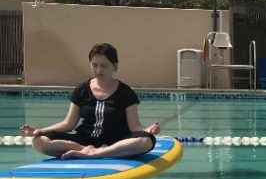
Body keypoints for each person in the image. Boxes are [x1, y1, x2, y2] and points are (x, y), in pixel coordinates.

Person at [19, 43, 160, 160]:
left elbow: (134, 127)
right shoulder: (82, 89)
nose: (98, 70)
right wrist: (40, 130)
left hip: (116, 141)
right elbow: (68, 124)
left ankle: (98, 153)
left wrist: (148, 130)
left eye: (104, 65)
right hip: (84, 140)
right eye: (94, 65)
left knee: (145, 141)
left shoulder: (125, 92)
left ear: (115, 66)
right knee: (39, 141)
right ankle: (84, 150)